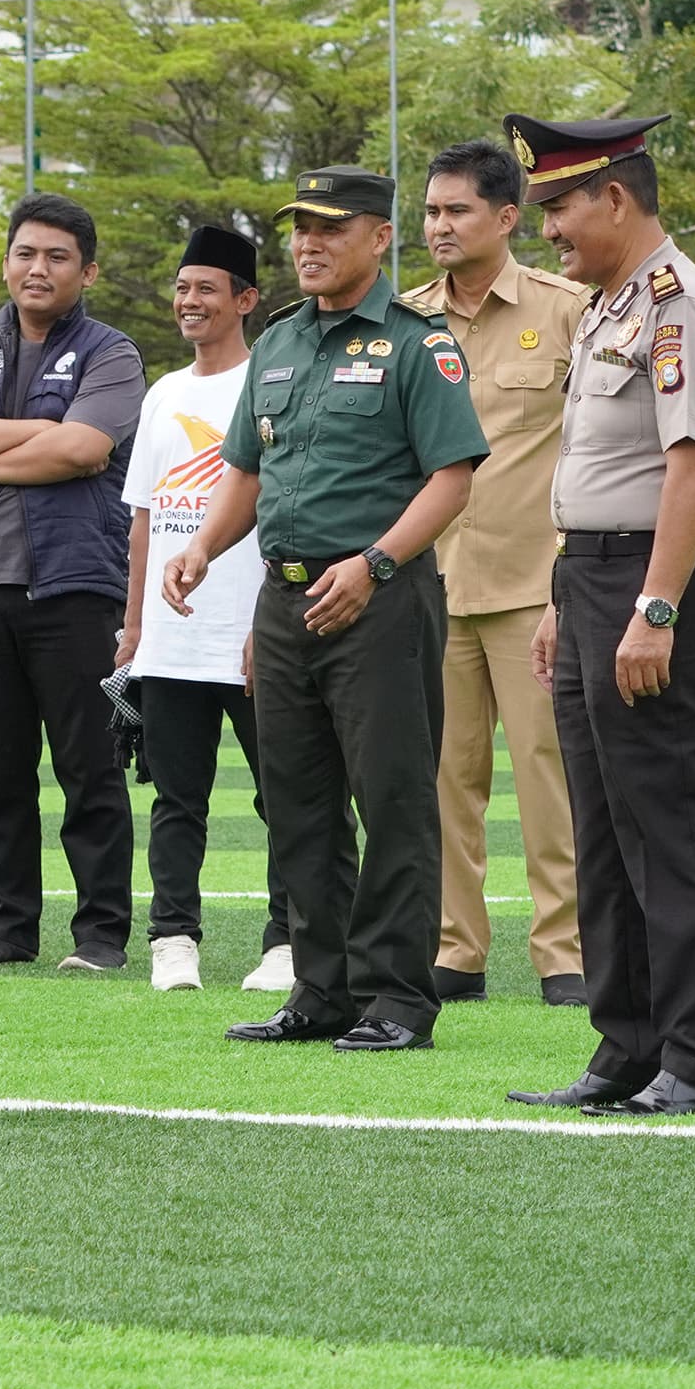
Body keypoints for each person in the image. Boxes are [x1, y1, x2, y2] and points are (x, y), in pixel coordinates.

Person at [160, 167, 485, 1053]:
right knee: (297, 804)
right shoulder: (278, 342)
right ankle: (321, 988)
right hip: (285, 599)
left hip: (379, 599)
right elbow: (247, 470)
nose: (309, 243)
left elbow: (451, 478)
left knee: (393, 800)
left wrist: (375, 564)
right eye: (300, 227)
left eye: (330, 227)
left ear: (379, 238)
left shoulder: (418, 344)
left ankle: (398, 999)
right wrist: (201, 546)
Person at [508, 114, 695, 1115]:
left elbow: (692, 466)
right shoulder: (610, 306)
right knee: (606, 831)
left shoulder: (678, 304)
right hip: (591, 580)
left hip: (659, 583)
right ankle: (629, 1047)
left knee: (674, 826)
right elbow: (596, 471)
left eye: (559, 208)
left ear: (614, 196)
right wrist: (564, 599)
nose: (548, 230)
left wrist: (653, 608)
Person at [0, 193, 144, 972]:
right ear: (8, 262)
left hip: (75, 586)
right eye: (25, 253)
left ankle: (101, 936)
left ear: (88, 271)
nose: (37, 268)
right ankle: (7, 931)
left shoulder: (112, 353)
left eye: (56, 256)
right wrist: (37, 437)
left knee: (90, 769)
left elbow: (83, 449)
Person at [398, 140, 590, 1008]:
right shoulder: (403, 321)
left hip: (535, 590)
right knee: (443, 779)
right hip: (430, 585)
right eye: (431, 211)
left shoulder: (568, 311)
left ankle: (566, 953)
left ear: (507, 217)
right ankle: (455, 950)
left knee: (551, 777)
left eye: (457, 210)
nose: (438, 225)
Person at [114, 226, 293, 993]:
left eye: (206, 289)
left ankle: (288, 941)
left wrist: (270, 621)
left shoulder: (274, 384)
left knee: (286, 796)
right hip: (173, 641)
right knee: (176, 799)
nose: (189, 301)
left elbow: (282, 509)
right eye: (183, 288)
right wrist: (134, 629)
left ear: (245, 300)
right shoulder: (163, 394)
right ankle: (173, 939)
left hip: (256, 634)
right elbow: (145, 521)